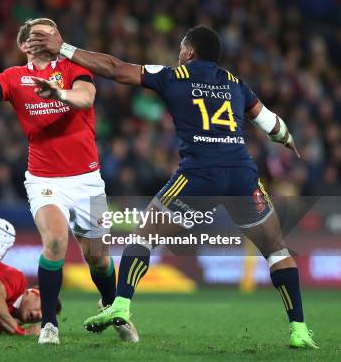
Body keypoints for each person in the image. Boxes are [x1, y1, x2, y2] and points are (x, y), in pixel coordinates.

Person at [27, 25, 317, 349]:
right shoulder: (236, 84)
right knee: (276, 250)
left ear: (190, 52)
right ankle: (300, 329)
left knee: (145, 235)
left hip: (199, 173)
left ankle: (120, 305)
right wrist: (288, 140)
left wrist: (63, 47)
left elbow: (114, 68)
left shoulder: (174, 76)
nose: (179, 55)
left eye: (181, 49)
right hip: (241, 174)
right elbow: (271, 123)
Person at [0, 7, 138, 344]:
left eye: (51, 31)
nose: (47, 36)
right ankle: (49, 325)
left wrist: (58, 94)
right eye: (40, 33)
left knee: (98, 259)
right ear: (26, 45)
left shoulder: (74, 68)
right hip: (44, 180)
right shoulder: (14, 78)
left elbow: (86, 99)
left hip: (87, 179)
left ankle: (113, 306)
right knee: (55, 241)